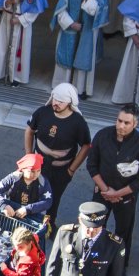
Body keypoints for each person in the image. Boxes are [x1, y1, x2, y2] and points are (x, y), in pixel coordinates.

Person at [86, 104, 139, 275]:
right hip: (101, 192)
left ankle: (120, 265)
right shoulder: (102, 136)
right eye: (119, 121)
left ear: (135, 124)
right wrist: (106, 191)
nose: (121, 126)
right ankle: (92, 257)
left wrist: (117, 194)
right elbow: (92, 165)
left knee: (123, 231)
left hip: (126, 198)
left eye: (126, 123)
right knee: (95, 226)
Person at [24, 84, 92, 225]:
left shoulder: (78, 123)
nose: (56, 103)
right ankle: (29, 222)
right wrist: (29, 155)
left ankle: (48, 225)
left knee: (52, 200)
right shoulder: (42, 112)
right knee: (30, 194)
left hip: (60, 170)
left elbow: (86, 145)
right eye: (55, 99)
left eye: (61, 101)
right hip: (37, 165)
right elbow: (30, 130)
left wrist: (71, 170)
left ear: (70, 102)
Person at [50, 0, 108, 97]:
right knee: (67, 58)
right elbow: (60, 11)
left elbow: (97, 12)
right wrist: (71, 23)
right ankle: (62, 87)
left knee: (83, 58)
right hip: (70, 30)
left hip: (88, 32)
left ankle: (81, 89)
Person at [0, 153, 53, 224]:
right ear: (23, 169)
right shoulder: (13, 178)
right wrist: (4, 205)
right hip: (11, 211)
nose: (36, 175)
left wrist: (28, 209)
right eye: (32, 171)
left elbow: (48, 201)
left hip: (32, 214)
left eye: (38, 171)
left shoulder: (43, 182)